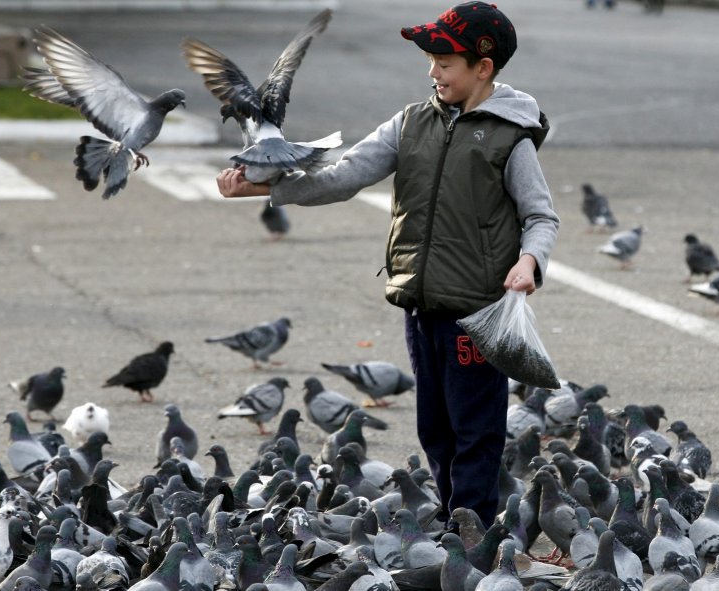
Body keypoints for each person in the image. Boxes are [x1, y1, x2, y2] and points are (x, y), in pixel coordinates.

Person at [216, 1, 559, 528]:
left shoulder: (510, 138)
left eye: (445, 62)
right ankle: (451, 522)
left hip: (478, 311)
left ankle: (472, 531)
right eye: (430, 60)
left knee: (475, 429)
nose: (432, 72)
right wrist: (265, 185)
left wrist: (529, 262)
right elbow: (345, 175)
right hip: (420, 305)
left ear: (482, 68)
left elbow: (540, 216)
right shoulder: (410, 123)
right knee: (434, 429)